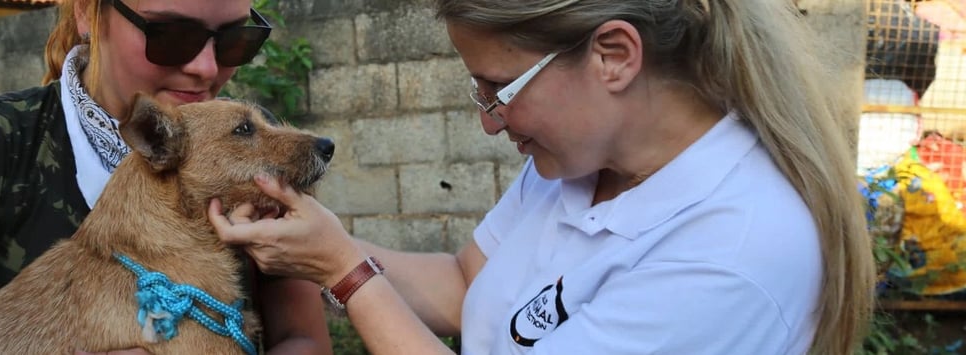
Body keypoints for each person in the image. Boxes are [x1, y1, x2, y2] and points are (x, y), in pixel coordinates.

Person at [208, 0, 875, 354]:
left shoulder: (732, 254)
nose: (490, 122)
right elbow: (469, 284)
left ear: (614, 56)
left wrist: (346, 273)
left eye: (498, 87)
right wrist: (313, 245)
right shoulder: (581, 164)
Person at [0, 0, 332, 354]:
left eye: (237, 40)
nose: (205, 68)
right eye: (170, 35)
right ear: (88, 11)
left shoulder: (244, 159)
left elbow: (302, 339)